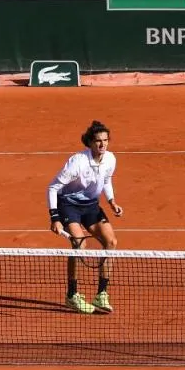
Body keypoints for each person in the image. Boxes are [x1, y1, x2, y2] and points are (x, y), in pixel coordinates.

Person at [47, 121, 123, 314]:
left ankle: (101, 294)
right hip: (69, 205)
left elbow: (106, 179)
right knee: (79, 245)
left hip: (91, 206)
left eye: (105, 140)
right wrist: (54, 217)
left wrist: (112, 200)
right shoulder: (77, 162)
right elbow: (53, 187)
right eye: (98, 141)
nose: (102, 145)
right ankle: (72, 295)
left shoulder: (110, 159)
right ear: (90, 143)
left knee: (111, 241)